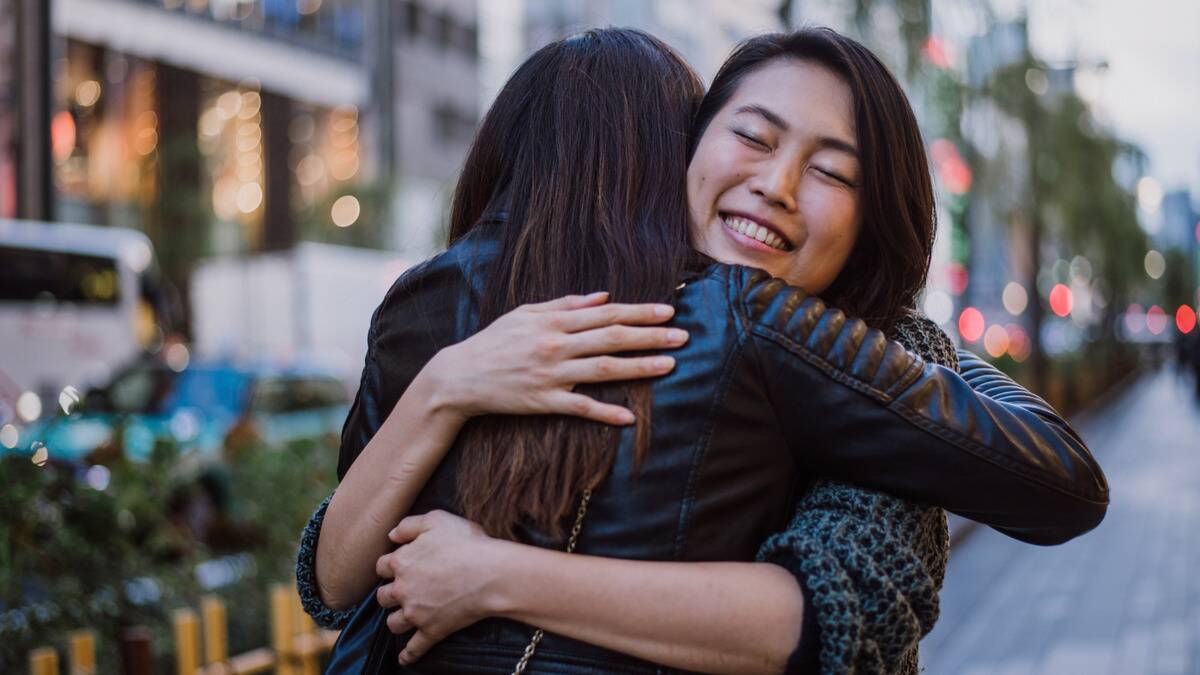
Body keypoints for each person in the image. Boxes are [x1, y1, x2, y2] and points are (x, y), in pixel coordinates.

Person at [298, 28, 1107, 673]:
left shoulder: (816, 342)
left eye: (830, 171)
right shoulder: (549, 326)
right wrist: (447, 383)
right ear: (681, 153)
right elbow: (338, 579)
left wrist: (494, 577)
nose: (777, 185)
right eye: (752, 137)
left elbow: (828, 612)